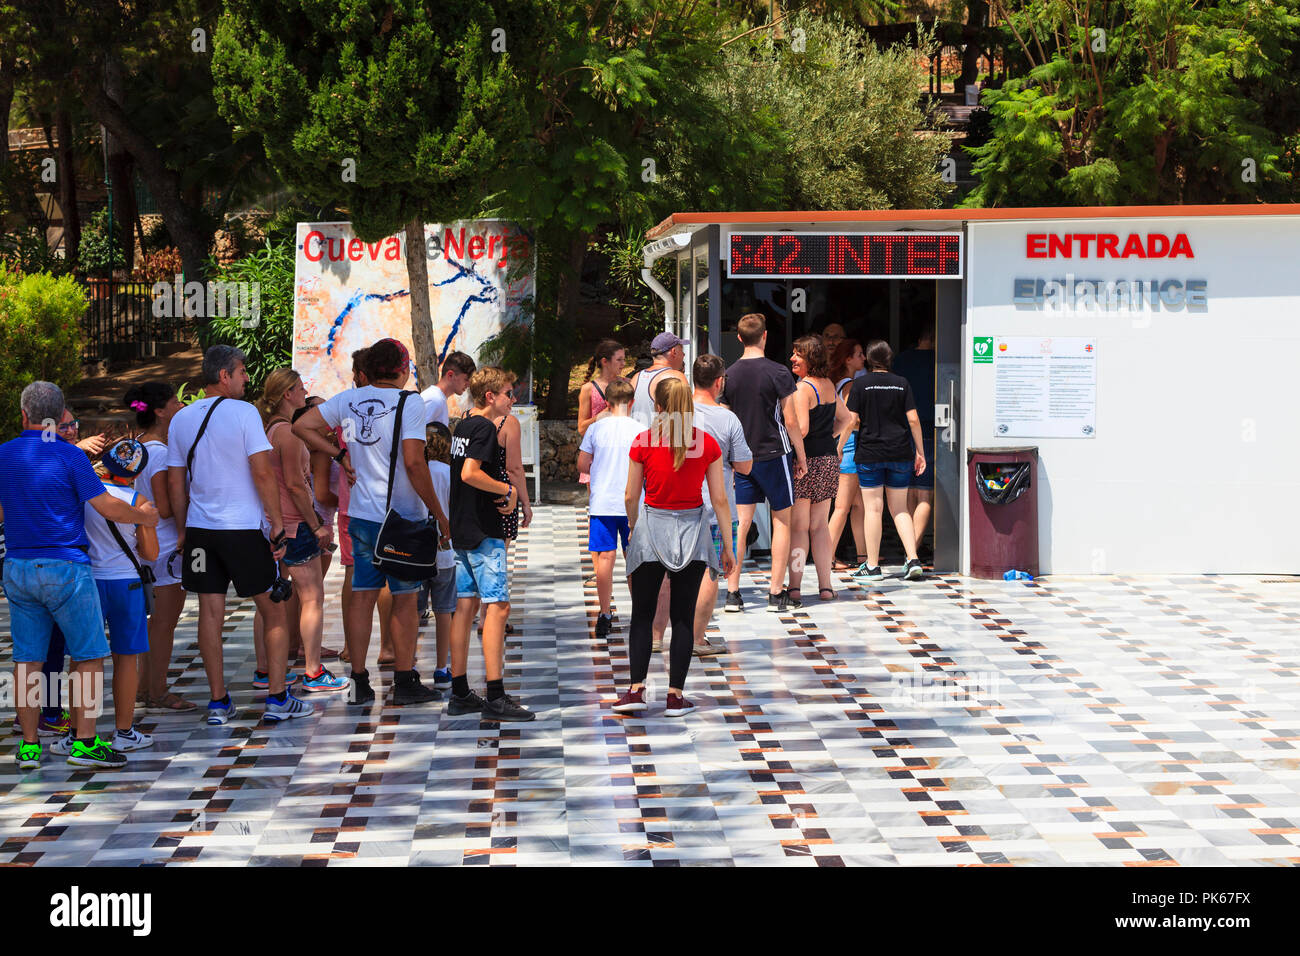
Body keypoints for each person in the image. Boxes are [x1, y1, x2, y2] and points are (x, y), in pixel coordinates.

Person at [1, 381, 158, 770]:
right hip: (67, 568)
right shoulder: (70, 457)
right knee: (89, 657)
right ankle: (86, 743)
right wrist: (144, 516)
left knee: (27, 660)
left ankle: (30, 746)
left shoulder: (3, 453)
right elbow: (107, 505)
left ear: (24, 415)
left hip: (18, 567)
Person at [294, 337, 449, 706]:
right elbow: (414, 462)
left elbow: (302, 426)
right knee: (405, 598)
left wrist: (339, 454)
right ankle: (404, 678)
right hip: (401, 519)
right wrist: (440, 514)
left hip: (361, 516)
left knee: (362, 597)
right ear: (402, 369)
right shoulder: (409, 402)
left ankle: (359, 680)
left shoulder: (349, 398)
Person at [166, 345, 313, 724]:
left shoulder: (181, 420)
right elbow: (263, 473)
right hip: (244, 530)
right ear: (224, 376)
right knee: (274, 610)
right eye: (242, 371)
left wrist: (184, 529)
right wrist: (278, 524)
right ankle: (278, 698)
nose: (248, 378)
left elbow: (176, 481)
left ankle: (218, 702)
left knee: (210, 613)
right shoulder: (245, 413)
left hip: (201, 531)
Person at [613, 376, 734, 717]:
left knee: (643, 613)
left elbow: (630, 495)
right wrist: (727, 545)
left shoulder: (644, 441)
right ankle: (675, 696)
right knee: (683, 616)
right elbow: (720, 500)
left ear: (659, 407)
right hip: (693, 530)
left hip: (653, 527)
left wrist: (636, 528)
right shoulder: (705, 443)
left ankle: (636, 689)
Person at [446, 366, 533, 721]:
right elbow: (470, 472)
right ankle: (496, 695)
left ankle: (460, 691)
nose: (513, 399)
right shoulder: (484, 426)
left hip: (462, 528)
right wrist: (509, 490)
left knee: (464, 608)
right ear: (490, 397)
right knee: (497, 607)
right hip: (484, 531)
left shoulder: (463, 424)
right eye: (509, 394)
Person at [258, 369, 345, 693]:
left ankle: (266, 668)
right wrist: (316, 524)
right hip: (294, 523)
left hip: (275, 522)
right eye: (301, 388)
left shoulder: (269, 429)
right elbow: (296, 484)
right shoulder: (289, 433)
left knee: (273, 597)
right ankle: (313, 670)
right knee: (312, 597)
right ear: (288, 394)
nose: (305, 392)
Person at [73, 439, 158, 755]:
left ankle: (76, 732)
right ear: (135, 472)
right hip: (127, 584)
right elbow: (149, 553)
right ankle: (124, 731)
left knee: (82, 658)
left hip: (86, 583)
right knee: (126, 657)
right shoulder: (138, 500)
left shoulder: (82, 494)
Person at [721, 313, 808, 613]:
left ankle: (733, 593)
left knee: (741, 524)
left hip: (741, 457)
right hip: (775, 453)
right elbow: (791, 419)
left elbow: (725, 419)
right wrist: (801, 456)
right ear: (766, 336)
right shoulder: (779, 372)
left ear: (739, 338)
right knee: (782, 521)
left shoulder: (728, 374)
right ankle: (775, 593)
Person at [128, 382, 197, 714]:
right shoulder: (160, 453)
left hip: (143, 545)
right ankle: (158, 690)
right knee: (165, 623)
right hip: (168, 546)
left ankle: (144, 686)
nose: (181, 404)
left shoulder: (135, 447)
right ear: (159, 411)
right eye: (174, 401)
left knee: (151, 622)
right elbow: (166, 507)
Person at [844, 340, 927, 581]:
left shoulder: (860, 384)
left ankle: (872, 566)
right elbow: (913, 419)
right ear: (890, 359)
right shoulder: (902, 384)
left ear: (869, 360)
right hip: (900, 452)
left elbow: (851, 421)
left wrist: (838, 447)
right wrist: (919, 451)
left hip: (870, 454)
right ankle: (912, 559)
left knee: (873, 508)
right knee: (900, 509)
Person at [687, 354, 752, 652]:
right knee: (709, 572)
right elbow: (745, 466)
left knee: (671, 575)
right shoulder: (727, 418)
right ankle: (697, 638)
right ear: (718, 381)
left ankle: (658, 636)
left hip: (675, 507)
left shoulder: (677, 415)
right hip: (714, 508)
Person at [787, 335, 852, 605]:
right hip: (827, 459)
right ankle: (826, 586)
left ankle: (795, 586)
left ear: (809, 359)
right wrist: (831, 438)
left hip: (806, 461)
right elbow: (847, 419)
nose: (792, 358)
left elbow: (801, 429)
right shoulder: (828, 385)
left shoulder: (803, 389)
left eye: (797, 355)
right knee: (820, 527)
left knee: (800, 528)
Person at [577, 378, 641, 639]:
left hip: (602, 501)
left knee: (605, 559)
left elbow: (582, 464)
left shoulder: (596, 429)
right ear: (632, 402)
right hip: (632, 502)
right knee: (635, 560)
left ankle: (604, 614)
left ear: (607, 402)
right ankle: (640, 613)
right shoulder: (641, 429)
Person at [417, 422, 457, 690]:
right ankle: (442, 668)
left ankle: (407, 666)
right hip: (444, 551)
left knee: (411, 610)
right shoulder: (448, 473)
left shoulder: (413, 472)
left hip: (414, 552)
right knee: (445, 611)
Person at [893, 324, 937, 558]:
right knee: (924, 494)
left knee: (908, 492)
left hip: (902, 432)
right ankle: (913, 552)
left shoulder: (901, 361)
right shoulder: (939, 359)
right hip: (931, 431)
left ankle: (908, 547)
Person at [826, 338, 869, 571]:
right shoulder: (849, 385)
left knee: (858, 505)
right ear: (848, 359)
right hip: (849, 446)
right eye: (860, 354)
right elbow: (851, 420)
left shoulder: (836, 383)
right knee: (842, 507)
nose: (864, 358)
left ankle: (864, 555)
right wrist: (840, 448)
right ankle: (829, 556)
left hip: (844, 446)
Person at [628, 332, 688, 427]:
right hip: (662, 440)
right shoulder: (676, 377)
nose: (684, 355)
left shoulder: (636, 377)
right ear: (674, 352)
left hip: (638, 440)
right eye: (682, 351)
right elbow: (686, 417)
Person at [578, 339, 626, 437]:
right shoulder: (588, 389)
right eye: (619, 360)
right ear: (604, 361)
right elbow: (582, 429)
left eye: (624, 359)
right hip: (600, 449)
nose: (623, 364)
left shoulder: (629, 384)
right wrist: (605, 413)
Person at [421, 350, 476, 427]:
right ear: (450, 375)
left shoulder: (438, 399)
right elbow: (415, 435)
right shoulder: (434, 400)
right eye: (466, 379)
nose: (468, 385)